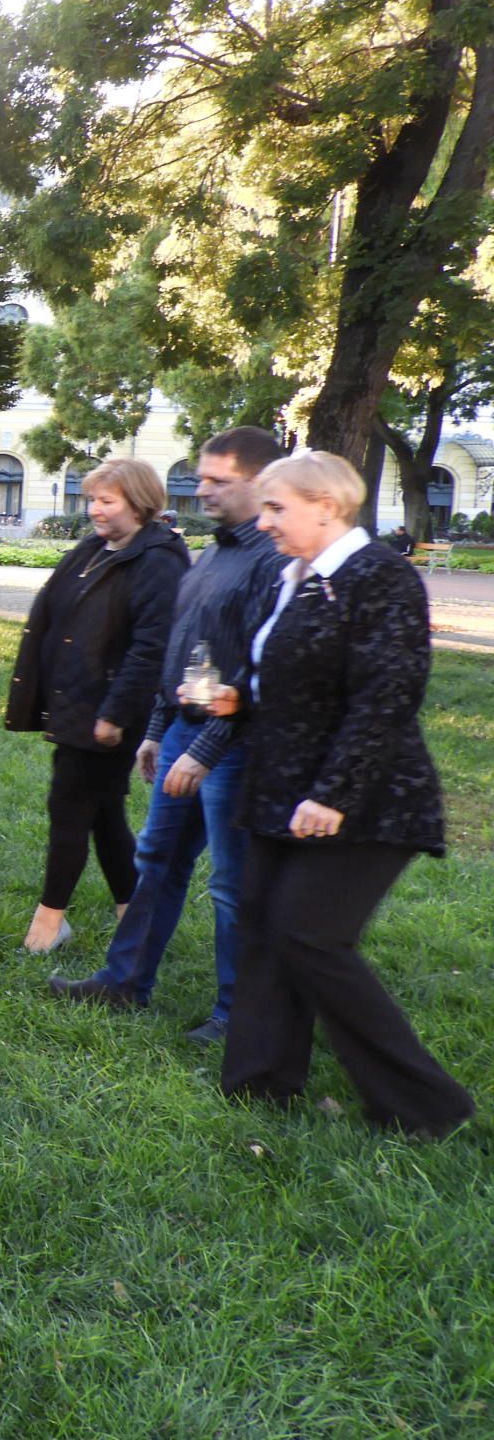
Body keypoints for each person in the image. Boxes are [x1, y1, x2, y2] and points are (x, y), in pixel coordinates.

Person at [203, 451, 473, 1137]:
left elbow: (386, 696)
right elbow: (287, 681)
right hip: (278, 791)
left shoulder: (380, 577)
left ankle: (424, 1108)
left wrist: (333, 794)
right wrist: (237, 697)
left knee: (310, 936)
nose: (264, 523)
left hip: (366, 799)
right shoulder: (295, 578)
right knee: (264, 930)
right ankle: (259, 1088)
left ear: (327, 504)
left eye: (276, 508)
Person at [48, 427, 287, 1039]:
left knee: (233, 885)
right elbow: (184, 652)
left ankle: (237, 1015)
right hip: (184, 732)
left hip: (234, 749)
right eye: (200, 477)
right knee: (157, 860)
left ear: (261, 482)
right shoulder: (214, 552)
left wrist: (205, 751)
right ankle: (124, 982)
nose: (199, 489)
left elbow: (261, 675)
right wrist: (157, 730)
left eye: (216, 481)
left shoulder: (275, 561)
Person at [5, 458, 190, 953]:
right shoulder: (95, 549)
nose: (95, 510)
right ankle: (133, 910)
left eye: (107, 501)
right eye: (92, 500)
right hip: (77, 698)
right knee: (103, 811)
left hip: (107, 710)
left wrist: (114, 713)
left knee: (68, 806)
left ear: (140, 502)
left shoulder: (160, 560)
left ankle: (50, 920)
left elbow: (152, 648)